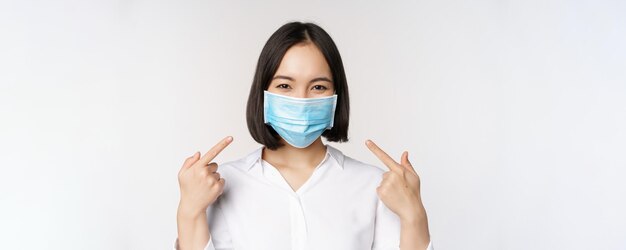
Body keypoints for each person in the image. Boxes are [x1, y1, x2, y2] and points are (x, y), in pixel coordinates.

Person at [174, 22, 433, 250]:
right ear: (263, 93)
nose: (301, 100)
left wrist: (414, 216)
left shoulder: (375, 186)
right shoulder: (219, 184)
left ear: (336, 96)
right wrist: (189, 212)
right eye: (285, 85)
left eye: (318, 86)